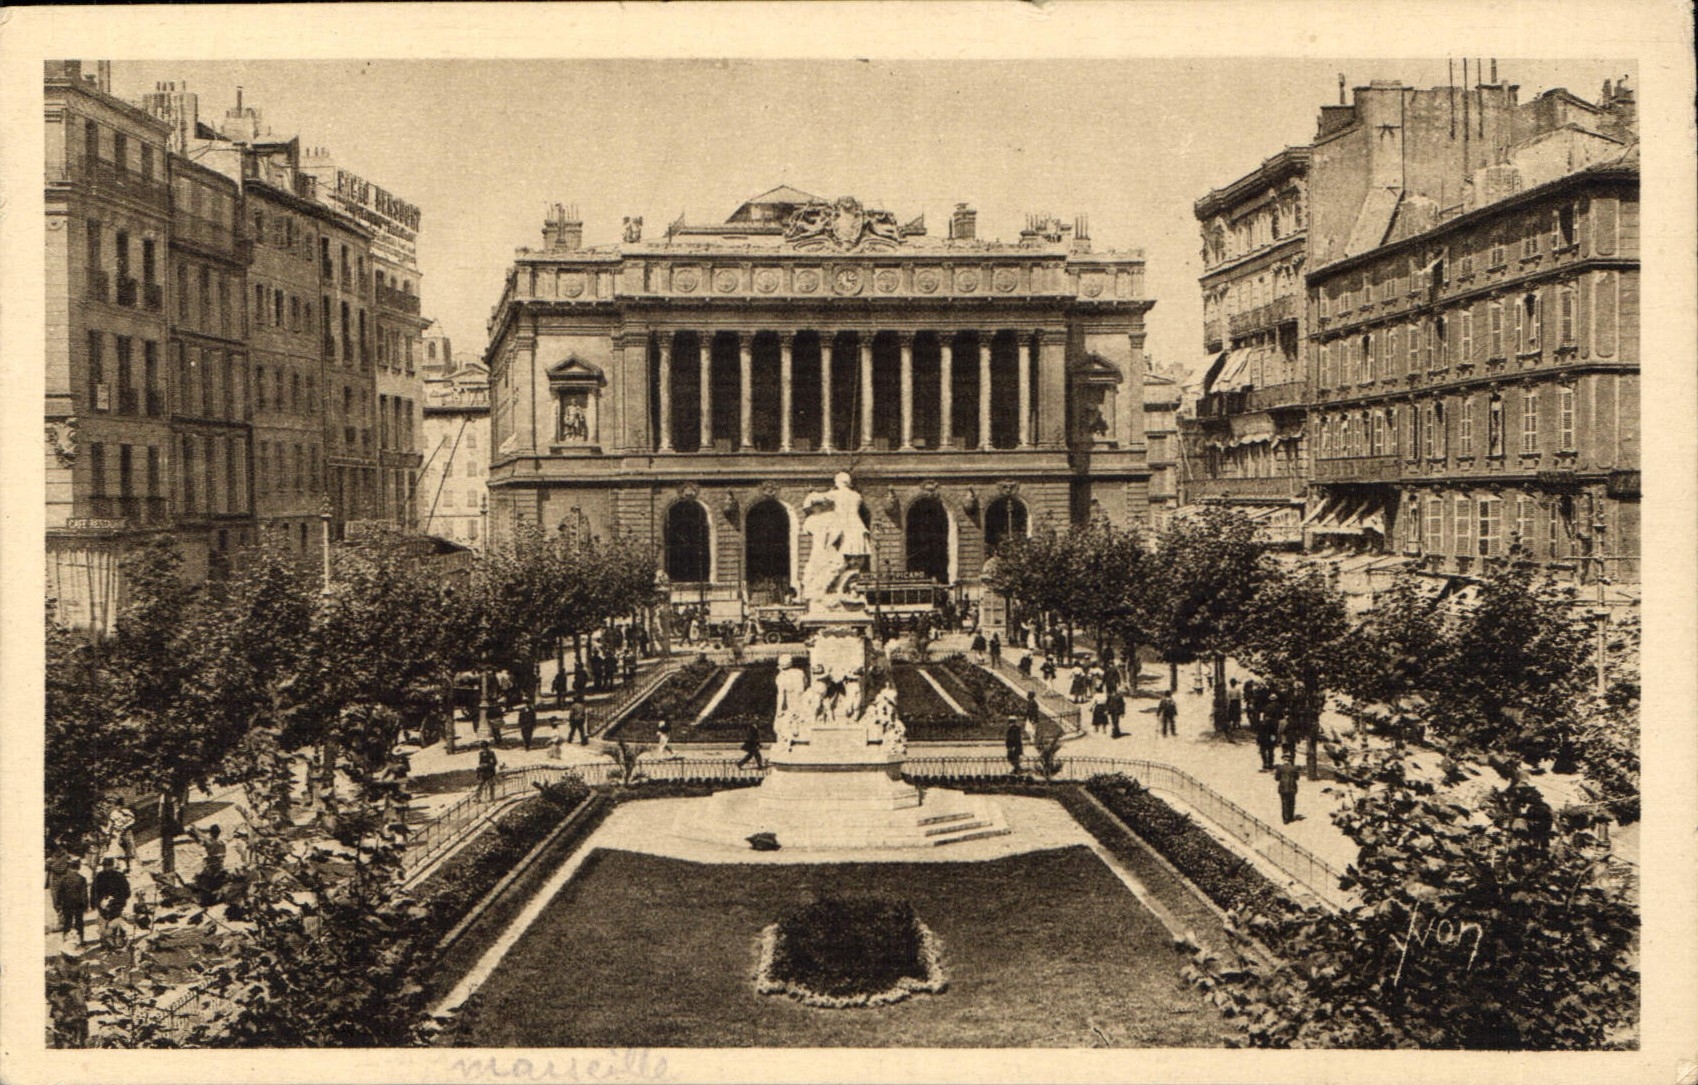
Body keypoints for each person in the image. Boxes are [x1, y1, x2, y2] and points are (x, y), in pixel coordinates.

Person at [92, 857, 130, 949]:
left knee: (106, 922)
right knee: (114, 922)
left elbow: (94, 891)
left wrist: (95, 903)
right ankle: (115, 940)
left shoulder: (99, 876)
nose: (107, 868)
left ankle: (107, 941)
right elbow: (127, 892)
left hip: (105, 904)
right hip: (114, 904)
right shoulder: (120, 876)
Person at [51, 862, 88, 946]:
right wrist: (85, 905)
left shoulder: (63, 879)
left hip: (67, 904)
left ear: (69, 868)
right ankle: (80, 940)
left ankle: (66, 940)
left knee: (67, 922)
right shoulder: (81, 879)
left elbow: (59, 893)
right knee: (79, 922)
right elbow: (84, 894)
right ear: (79, 867)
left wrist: (58, 905)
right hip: (78, 904)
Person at [1256, 687, 1283, 771]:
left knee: (1263, 749)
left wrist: (1258, 740)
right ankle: (1271, 763)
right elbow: (1281, 716)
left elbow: (1259, 732)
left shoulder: (1267, 707)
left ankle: (1265, 763)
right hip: (1273, 730)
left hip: (1264, 737)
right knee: (1271, 748)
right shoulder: (1279, 706)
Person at [1274, 749, 1303, 824]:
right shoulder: (1294, 768)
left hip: (1283, 788)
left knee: (1284, 803)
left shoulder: (1280, 768)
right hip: (1292, 787)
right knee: (1291, 802)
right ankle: (1291, 817)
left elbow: (1276, 778)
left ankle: (1285, 819)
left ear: (1283, 760)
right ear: (1290, 760)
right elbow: (1297, 778)